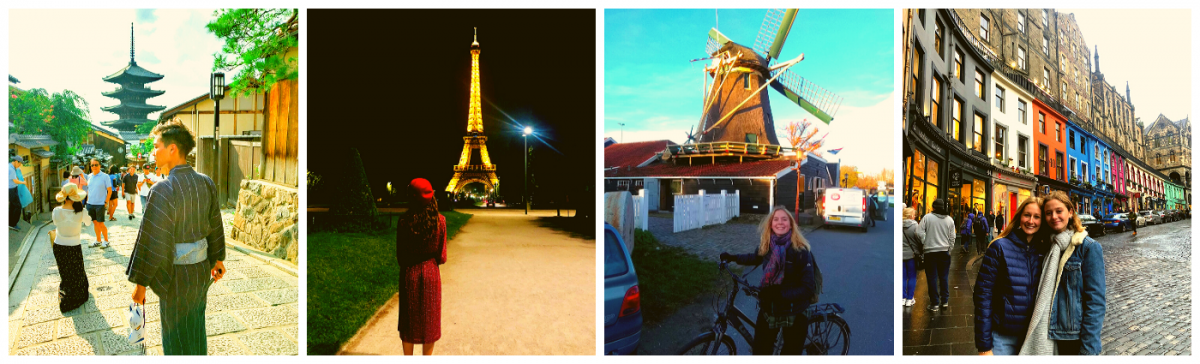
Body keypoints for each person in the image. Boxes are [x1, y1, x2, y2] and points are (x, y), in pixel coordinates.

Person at [126, 119, 227, 355]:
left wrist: (140, 287)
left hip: (176, 276)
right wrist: (218, 260)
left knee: (175, 335)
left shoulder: (162, 188)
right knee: (194, 326)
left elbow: (152, 241)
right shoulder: (206, 182)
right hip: (201, 270)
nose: (153, 152)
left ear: (172, 149)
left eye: (156, 146)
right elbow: (215, 224)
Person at [720, 206, 816, 355]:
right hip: (769, 308)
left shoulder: (801, 250)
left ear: (791, 224)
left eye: (784, 219)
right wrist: (733, 257)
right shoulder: (767, 245)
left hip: (795, 311)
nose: (780, 222)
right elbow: (754, 257)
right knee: (760, 351)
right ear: (770, 224)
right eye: (776, 219)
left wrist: (780, 294)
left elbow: (808, 287)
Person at [1021, 191, 1106, 355]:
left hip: (1072, 338)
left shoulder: (1087, 247)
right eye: (1048, 213)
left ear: (1070, 212)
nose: (1054, 216)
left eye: (1059, 211)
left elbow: (1095, 302)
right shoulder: (1046, 246)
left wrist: (1089, 349)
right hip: (1048, 334)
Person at [974, 197, 1045, 355]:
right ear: (1019, 216)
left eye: (1037, 216)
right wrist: (984, 346)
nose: (1031, 221)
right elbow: (983, 296)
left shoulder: (1044, 250)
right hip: (1002, 338)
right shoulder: (999, 247)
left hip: (1033, 338)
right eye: (1027, 215)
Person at [396, 178, 448, 355]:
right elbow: (442, 257)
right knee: (430, 324)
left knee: (409, 324)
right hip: (431, 274)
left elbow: (400, 257)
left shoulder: (403, 221)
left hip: (409, 273)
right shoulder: (440, 221)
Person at [50, 183, 93, 312]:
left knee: (65, 270)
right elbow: (89, 222)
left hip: (59, 245)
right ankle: (78, 293)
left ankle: (67, 293)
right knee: (77, 270)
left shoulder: (56, 211)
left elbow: (56, 223)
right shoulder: (82, 211)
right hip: (74, 245)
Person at [918, 199, 955, 311]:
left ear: (933, 207)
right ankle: (944, 301)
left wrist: (926, 241)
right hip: (944, 252)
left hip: (930, 252)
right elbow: (952, 237)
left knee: (932, 278)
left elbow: (919, 232)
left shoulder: (927, 217)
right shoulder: (949, 220)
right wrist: (949, 249)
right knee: (943, 277)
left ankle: (934, 303)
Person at [84, 159, 112, 248]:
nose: (94, 167)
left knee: (101, 223)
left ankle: (106, 241)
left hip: (100, 204)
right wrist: (87, 201)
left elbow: (109, 190)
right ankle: (98, 240)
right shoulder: (89, 176)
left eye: (96, 165)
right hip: (90, 203)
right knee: (95, 223)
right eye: (92, 165)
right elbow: (89, 190)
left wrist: (106, 202)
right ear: (90, 166)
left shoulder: (105, 176)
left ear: (100, 165)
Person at [901, 207, 923, 307]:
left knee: (903, 277)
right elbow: (920, 239)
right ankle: (910, 299)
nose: (915, 216)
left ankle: (902, 297)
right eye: (914, 215)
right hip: (912, 255)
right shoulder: (915, 226)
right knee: (912, 277)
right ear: (910, 216)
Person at [10, 155, 28, 230]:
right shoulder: (11, 169)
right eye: (19, 163)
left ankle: (10, 223)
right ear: (16, 161)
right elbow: (15, 180)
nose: (20, 165)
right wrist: (23, 182)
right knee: (17, 206)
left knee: (13, 206)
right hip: (11, 189)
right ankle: (13, 224)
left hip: (12, 189)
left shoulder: (11, 167)